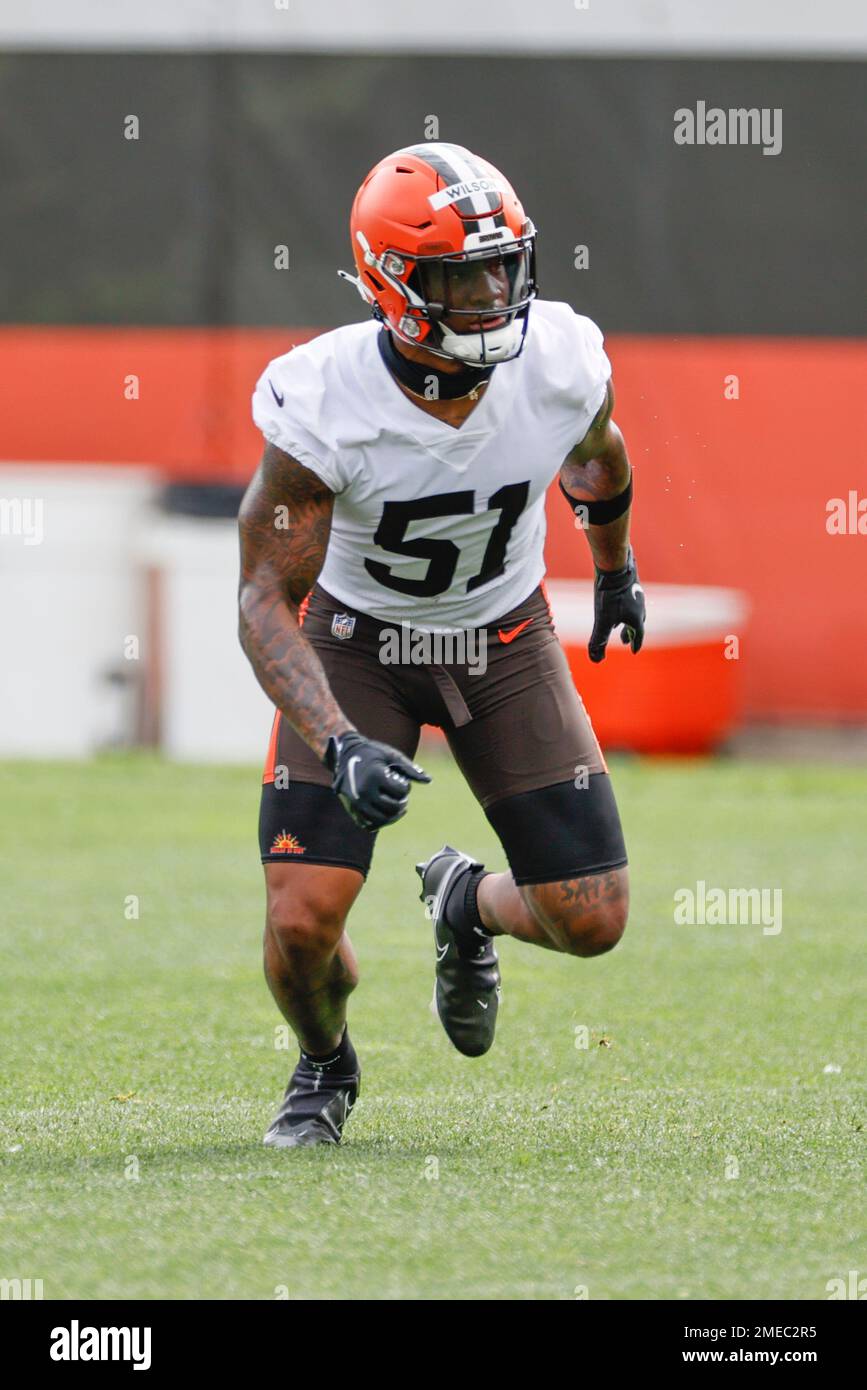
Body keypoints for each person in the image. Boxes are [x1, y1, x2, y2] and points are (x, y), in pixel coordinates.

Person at [238, 143, 646, 1147]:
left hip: (503, 637)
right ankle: (326, 1063)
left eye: (504, 266)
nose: (495, 293)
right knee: (300, 924)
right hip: (355, 644)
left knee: (591, 917)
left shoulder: (558, 359)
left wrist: (613, 568)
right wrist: (335, 738)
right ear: (397, 284)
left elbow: (597, 458)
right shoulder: (325, 401)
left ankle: (466, 900)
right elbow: (261, 600)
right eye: (465, 275)